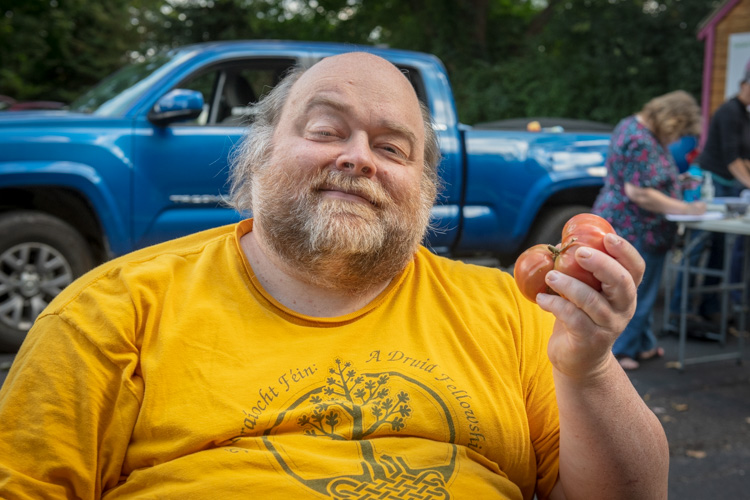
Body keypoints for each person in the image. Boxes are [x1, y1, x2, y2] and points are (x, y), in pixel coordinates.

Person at [0, 52, 668, 499]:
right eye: (326, 130)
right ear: (259, 154)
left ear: (425, 189)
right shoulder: (107, 313)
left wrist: (590, 368)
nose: (358, 158)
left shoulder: (513, 314)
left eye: (391, 147)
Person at [592, 90, 706, 371]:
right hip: (637, 227)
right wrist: (686, 208)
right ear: (673, 118)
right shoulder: (641, 138)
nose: (677, 139)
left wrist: (677, 181)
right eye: (679, 131)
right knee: (636, 291)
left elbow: (647, 178)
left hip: (628, 223)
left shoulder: (631, 126)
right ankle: (621, 352)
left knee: (642, 288)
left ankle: (643, 345)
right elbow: (639, 192)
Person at [669, 62, 750, 324]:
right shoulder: (728, 112)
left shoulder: (745, 115)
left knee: (720, 250)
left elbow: (745, 159)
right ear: (743, 85)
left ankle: (710, 306)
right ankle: (680, 310)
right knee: (697, 245)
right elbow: (732, 159)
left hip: (730, 184)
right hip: (710, 183)